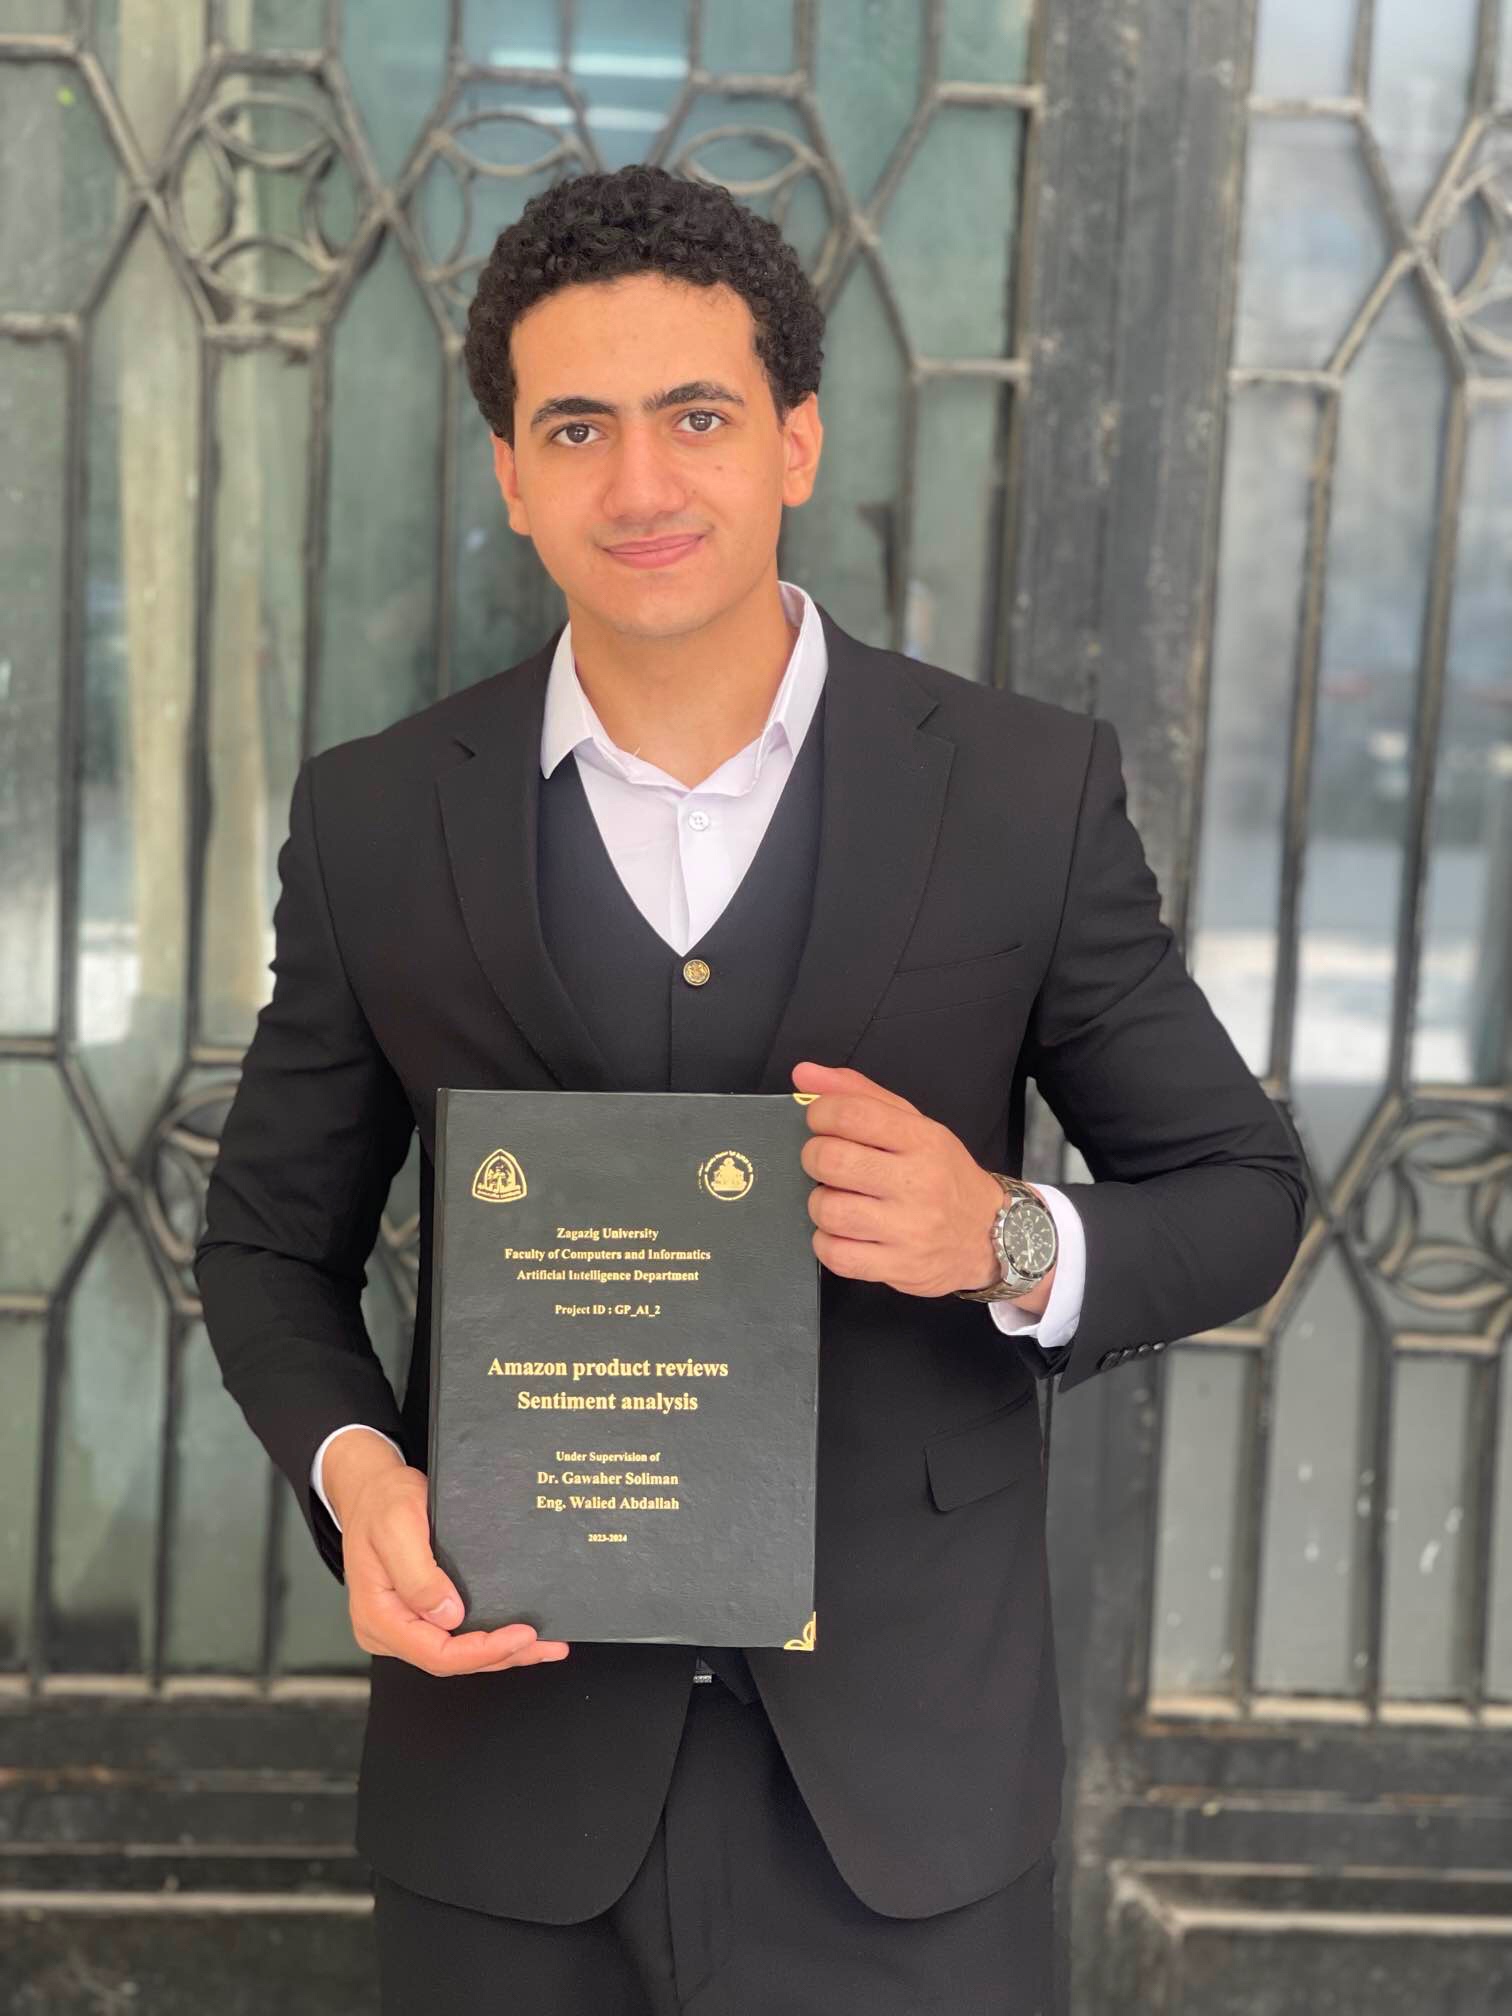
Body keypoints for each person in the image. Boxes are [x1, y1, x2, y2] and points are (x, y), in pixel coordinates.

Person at [194, 163, 1306, 2013]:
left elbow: (1241, 1193)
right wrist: (357, 1474)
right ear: (510, 472)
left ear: (796, 440)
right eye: (579, 428)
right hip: (508, 1786)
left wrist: (1004, 1235)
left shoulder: (1019, 791)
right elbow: (263, 1246)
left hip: (907, 1799)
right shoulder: (379, 816)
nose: (641, 484)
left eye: (697, 416)